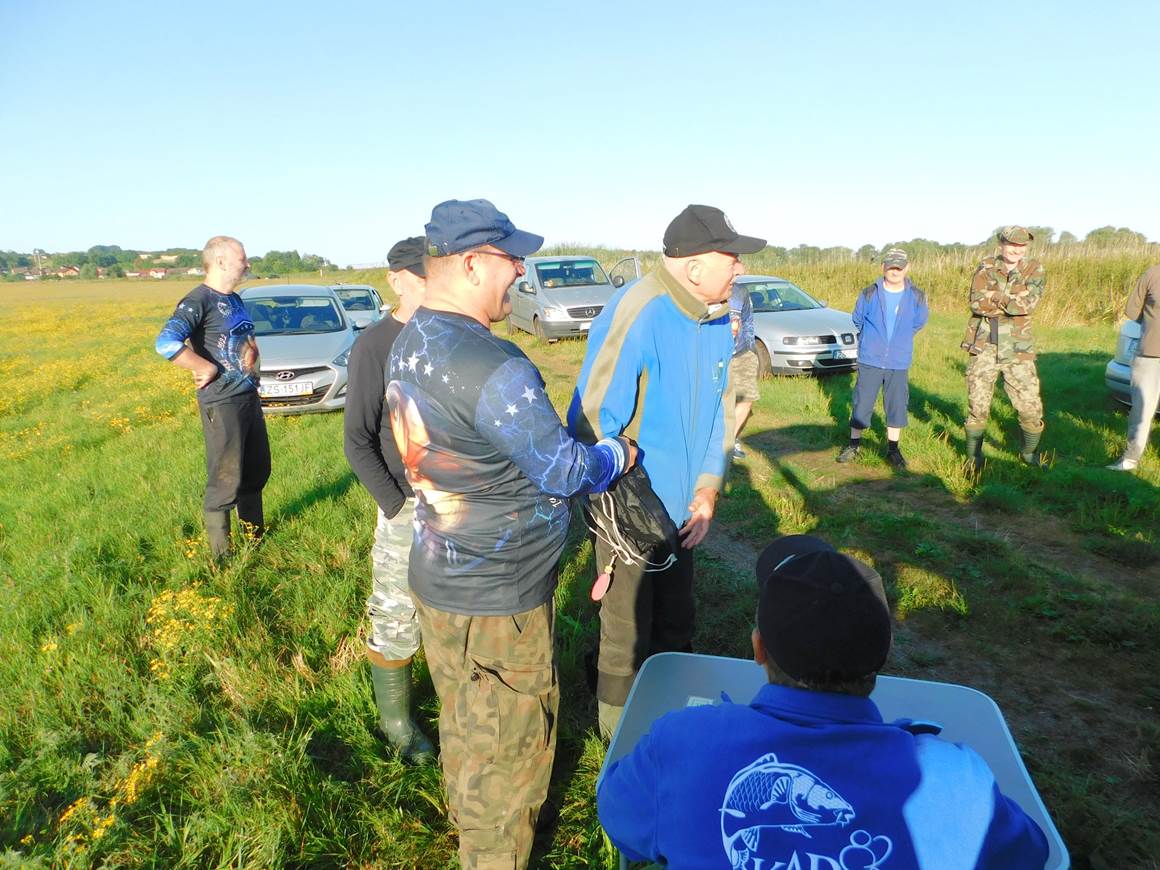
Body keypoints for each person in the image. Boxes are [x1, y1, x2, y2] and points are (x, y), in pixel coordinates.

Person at [385, 198, 636, 869]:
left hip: (440, 578)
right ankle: (491, 850)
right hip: (499, 599)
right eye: (508, 258)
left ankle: (472, 822)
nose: (520, 270)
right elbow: (561, 469)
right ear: (470, 263)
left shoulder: (410, 339)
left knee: (470, 723)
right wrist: (616, 453)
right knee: (513, 749)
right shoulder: (493, 364)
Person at [597, 534, 1050, 869]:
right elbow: (1031, 854)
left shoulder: (682, 743)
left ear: (758, 649)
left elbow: (620, 817)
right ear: (882, 655)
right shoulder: (956, 779)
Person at [568, 204, 766, 739]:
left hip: (684, 511)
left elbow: (720, 412)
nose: (739, 270)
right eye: (732, 258)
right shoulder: (639, 311)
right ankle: (619, 742)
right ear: (695, 266)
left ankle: (672, 723)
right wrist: (620, 509)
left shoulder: (715, 316)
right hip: (632, 512)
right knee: (625, 633)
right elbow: (589, 420)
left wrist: (707, 489)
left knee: (677, 623)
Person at [343, 236, 434, 762]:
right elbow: (357, 440)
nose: (428, 285)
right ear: (396, 279)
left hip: (458, 502)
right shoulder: (375, 345)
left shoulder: (449, 335)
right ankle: (396, 722)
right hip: (405, 502)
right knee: (397, 614)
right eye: (419, 276)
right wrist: (396, 505)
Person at [155, 235, 269, 561]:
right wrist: (201, 364)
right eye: (242, 258)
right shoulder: (198, 300)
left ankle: (254, 542)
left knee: (255, 472)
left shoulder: (234, 299)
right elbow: (166, 343)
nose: (247, 264)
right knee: (225, 479)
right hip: (222, 403)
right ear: (220, 261)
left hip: (248, 398)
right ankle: (222, 559)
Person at [961, 226, 1047, 469]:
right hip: (985, 344)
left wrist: (996, 297)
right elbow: (976, 303)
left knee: (1030, 407)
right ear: (1001, 244)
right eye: (1012, 245)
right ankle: (973, 458)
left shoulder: (1035, 268)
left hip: (1018, 347)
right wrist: (1010, 301)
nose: (1016, 250)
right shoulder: (985, 266)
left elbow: (1027, 305)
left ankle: (1029, 455)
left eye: (1021, 246)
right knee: (977, 405)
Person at [837, 248, 929, 470]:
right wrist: (873, 341)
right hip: (870, 359)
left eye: (899, 266)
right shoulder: (869, 293)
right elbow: (857, 320)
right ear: (883, 268)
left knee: (896, 405)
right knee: (862, 402)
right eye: (891, 266)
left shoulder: (917, 295)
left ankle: (893, 450)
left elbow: (918, 322)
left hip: (898, 361)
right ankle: (854, 445)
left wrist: (897, 341)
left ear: (907, 268)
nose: (895, 271)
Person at [1107, 264, 1160, 471]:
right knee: (1142, 409)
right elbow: (1133, 311)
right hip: (1150, 354)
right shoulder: (1152, 274)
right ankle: (1130, 459)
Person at [728, 278, 760, 459]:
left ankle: (729, 442)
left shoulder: (741, 292)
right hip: (715, 356)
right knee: (719, 402)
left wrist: (750, 348)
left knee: (746, 399)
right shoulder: (706, 291)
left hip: (741, 353)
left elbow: (748, 320)